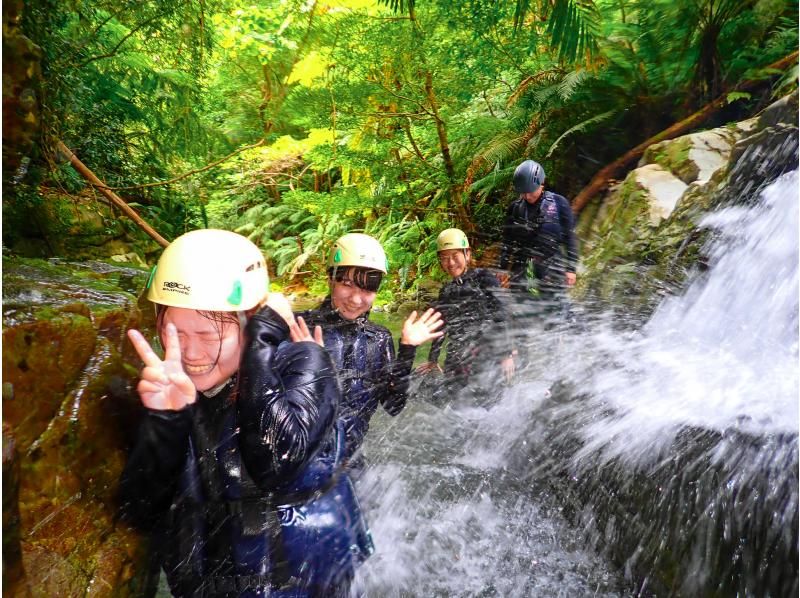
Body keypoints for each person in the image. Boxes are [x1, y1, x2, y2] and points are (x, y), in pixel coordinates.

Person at [119, 229, 372, 597]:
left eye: (209, 336)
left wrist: (262, 338)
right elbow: (139, 512)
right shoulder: (167, 386)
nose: (190, 353)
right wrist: (166, 421)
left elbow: (277, 460)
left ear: (251, 321)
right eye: (173, 332)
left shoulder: (305, 362)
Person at [296, 232, 443, 472]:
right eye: (347, 284)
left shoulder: (379, 338)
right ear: (330, 279)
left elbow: (393, 406)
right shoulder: (300, 328)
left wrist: (408, 349)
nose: (356, 298)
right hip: (299, 468)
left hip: (350, 465)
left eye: (367, 289)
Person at [416, 228, 515, 401]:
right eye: (444, 258)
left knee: (487, 405)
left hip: (487, 354)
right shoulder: (446, 291)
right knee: (449, 404)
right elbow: (441, 328)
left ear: (467, 255)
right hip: (457, 357)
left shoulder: (484, 279)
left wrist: (506, 354)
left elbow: (502, 314)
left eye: (455, 256)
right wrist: (433, 360)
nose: (451, 262)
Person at [499, 159, 578, 308]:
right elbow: (507, 241)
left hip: (552, 264)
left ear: (541, 184)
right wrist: (502, 269)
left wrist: (571, 269)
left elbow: (570, 238)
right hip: (525, 267)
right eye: (523, 193)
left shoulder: (559, 203)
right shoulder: (515, 209)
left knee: (557, 307)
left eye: (530, 192)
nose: (527, 196)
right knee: (525, 307)